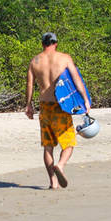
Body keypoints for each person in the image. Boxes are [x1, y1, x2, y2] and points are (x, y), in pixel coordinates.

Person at [25, 32, 88, 190]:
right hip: (61, 107)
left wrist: (28, 105)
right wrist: (85, 99)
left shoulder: (35, 61)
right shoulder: (64, 58)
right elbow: (76, 80)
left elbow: (30, 85)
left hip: (45, 107)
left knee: (48, 146)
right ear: (56, 43)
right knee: (69, 143)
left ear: (42, 44)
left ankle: (53, 183)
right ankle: (60, 165)